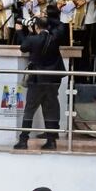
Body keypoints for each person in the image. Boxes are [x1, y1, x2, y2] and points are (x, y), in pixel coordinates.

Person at [15, 17, 64, 150]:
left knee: (29, 110)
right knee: (50, 110)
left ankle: (23, 140)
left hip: (37, 80)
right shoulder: (55, 38)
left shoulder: (33, 38)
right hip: (53, 80)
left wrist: (21, 32)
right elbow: (61, 25)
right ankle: (52, 141)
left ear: (36, 26)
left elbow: (23, 47)